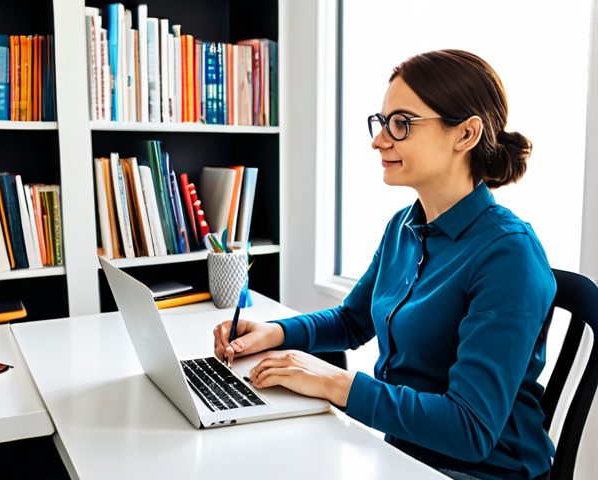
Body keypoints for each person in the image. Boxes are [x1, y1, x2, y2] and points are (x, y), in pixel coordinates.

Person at [213, 50, 555, 480]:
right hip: (404, 453)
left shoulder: (509, 255)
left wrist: (334, 383)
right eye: (382, 122)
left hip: (479, 472)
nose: (379, 140)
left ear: (465, 134)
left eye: (402, 124)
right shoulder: (405, 226)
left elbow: (470, 430)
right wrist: (275, 333)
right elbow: (353, 320)